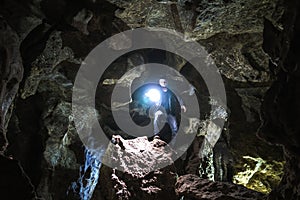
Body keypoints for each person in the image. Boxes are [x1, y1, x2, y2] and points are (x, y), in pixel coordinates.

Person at [153, 78, 186, 145]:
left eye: (165, 81)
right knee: (157, 117)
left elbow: (178, 97)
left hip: (170, 112)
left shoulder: (171, 91)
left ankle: (172, 145)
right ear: (159, 83)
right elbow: (154, 100)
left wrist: (182, 105)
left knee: (174, 128)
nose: (163, 82)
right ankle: (156, 135)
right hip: (161, 111)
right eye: (162, 81)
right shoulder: (157, 91)